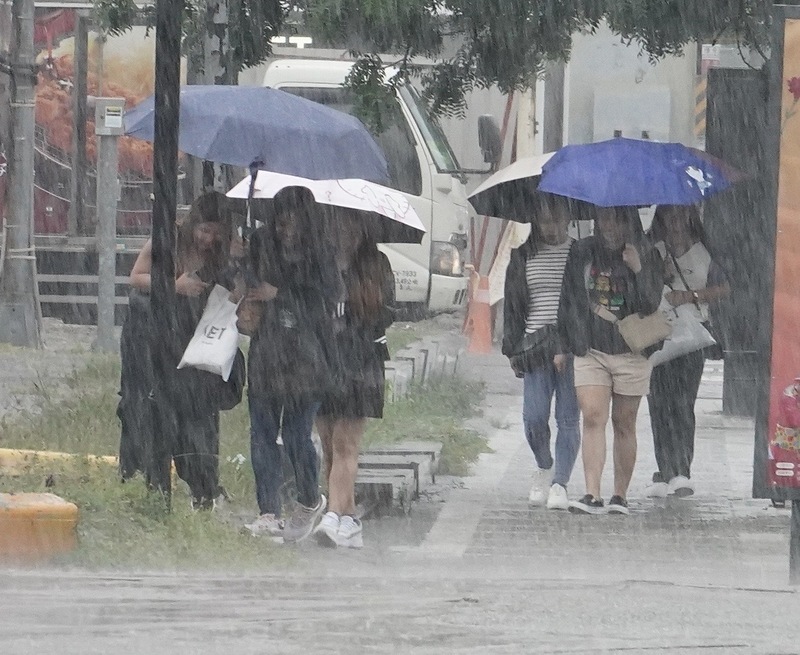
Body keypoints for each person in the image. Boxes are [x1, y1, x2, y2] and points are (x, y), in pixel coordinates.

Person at [124, 191, 238, 509]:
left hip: (200, 336)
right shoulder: (167, 239)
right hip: (163, 333)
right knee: (159, 412)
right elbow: (135, 277)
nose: (208, 239)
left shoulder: (223, 248)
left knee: (199, 420)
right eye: (204, 231)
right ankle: (155, 485)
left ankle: (204, 486)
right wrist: (174, 285)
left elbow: (239, 273)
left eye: (216, 233)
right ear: (192, 224)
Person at [243, 188, 338, 542]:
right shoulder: (261, 243)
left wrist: (280, 293)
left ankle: (309, 498)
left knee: (298, 433)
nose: (284, 231)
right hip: (267, 350)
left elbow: (327, 296)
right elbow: (250, 282)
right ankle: (268, 510)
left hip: (307, 353)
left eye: (291, 223)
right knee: (262, 432)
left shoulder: (321, 253)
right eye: (279, 223)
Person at [558, 205, 663, 515]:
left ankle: (620, 495)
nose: (609, 224)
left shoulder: (646, 253)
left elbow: (649, 304)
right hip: (591, 349)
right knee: (592, 415)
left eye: (616, 217)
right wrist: (565, 342)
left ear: (627, 220)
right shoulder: (582, 251)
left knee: (624, 423)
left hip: (632, 351)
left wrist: (638, 269)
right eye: (603, 217)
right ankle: (592, 493)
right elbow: (569, 299)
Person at [313, 212, 396, 549]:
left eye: (351, 225)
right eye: (337, 224)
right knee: (329, 444)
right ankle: (349, 519)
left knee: (347, 442)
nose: (344, 232)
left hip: (361, 362)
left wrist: (356, 318)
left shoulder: (377, 264)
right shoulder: (320, 264)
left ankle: (333, 515)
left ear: (363, 229)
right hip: (324, 362)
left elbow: (388, 313)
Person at [645, 204, 730, 498]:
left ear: (691, 218)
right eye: (670, 215)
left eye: (682, 215)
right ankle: (663, 469)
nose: (676, 221)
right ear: (662, 218)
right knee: (658, 404)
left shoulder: (704, 252)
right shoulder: (651, 250)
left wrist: (690, 295)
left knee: (682, 404)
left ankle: (681, 470)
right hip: (657, 336)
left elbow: (724, 288)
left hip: (692, 336)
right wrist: (658, 273)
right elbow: (638, 288)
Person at [502, 193, 580, 510]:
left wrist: (565, 344)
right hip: (534, 345)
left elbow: (579, 305)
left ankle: (560, 482)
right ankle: (544, 464)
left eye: (556, 219)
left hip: (573, 346)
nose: (551, 226)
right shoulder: (523, 255)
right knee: (534, 418)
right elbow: (513, 306)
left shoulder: (578, 253)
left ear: (568, 219)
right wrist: (512, 349)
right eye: (545, 219)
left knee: (568, 418)